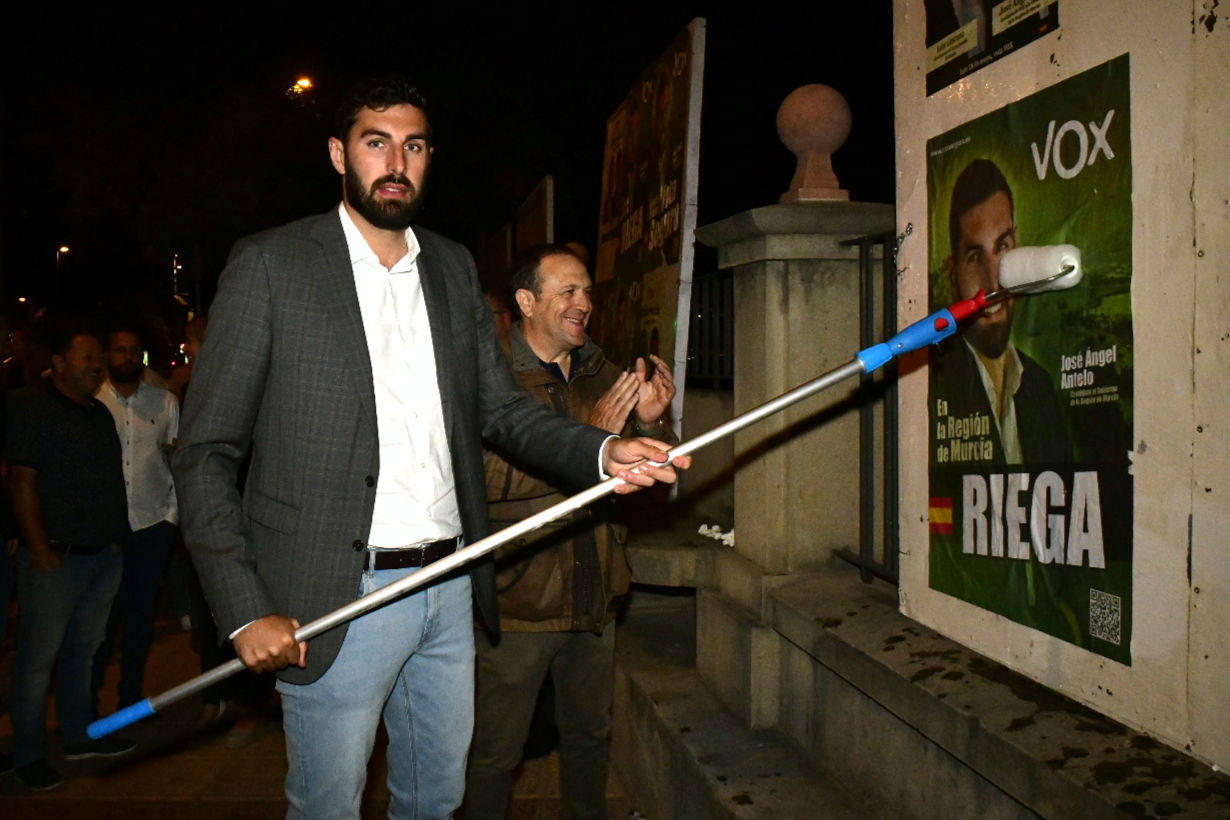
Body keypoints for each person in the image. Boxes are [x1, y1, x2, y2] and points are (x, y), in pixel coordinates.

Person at [172, 76, 687, 819]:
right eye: (375, 142)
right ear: (337, 154)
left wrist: (604, 455)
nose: (395, 162)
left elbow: (504, 410)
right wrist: (245, 608)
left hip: (449, 585)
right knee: (328, 808)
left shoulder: (449, 267)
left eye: (412, 146)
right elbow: (205, 452)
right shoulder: (271, 267)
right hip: (338, 597)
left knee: (435, 801)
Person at [464, 245, 675, 819]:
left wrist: (654, 422)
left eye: (587, 291)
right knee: (494, 755)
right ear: (527, 302)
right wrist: (587, 438)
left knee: (588, 742)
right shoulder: (491, 379)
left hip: (594, 594)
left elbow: (653, 476)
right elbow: (475, 480)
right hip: (518, 602)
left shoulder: (602, 372)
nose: (584, 303)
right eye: (568, 292)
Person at [5, 319, 134, 791]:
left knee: (83, 652)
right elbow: (22, 483)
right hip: (56, 559)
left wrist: (116, 541)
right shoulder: (35, 411)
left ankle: (78, 736)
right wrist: (39, 549)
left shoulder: (97, 413)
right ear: (58, 364)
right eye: (86, 357)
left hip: (102, 557)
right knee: (38, 661)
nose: (96, 364)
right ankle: (27, 755)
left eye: (97, 357)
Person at [931, 158, 1071, 465]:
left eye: (1003, 247)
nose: (992, 280)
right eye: (974, 256)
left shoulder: (1039, 386)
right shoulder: (933, 384)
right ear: (953, 272)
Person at [91, 325, 179, 711]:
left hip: (152, 525)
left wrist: (172, 519)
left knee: (140, 619)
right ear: (107, 355)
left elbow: (176, 460)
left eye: (133, 351)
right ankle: (86, 705)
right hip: (107, 528)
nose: (126, 357)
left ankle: (130, 701)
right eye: (118, 350)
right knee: (101, 621)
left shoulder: (165, 403)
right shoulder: (93, 403)